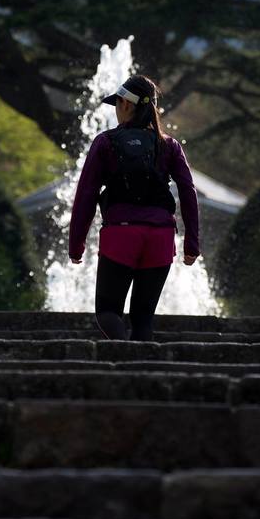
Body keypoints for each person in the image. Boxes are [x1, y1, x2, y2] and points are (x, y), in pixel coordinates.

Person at [68, 74, 200, 341]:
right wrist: (192, 245)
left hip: (121, 235)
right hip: (161, 236)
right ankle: (146, 374)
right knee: (143, 321)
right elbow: (188, 191)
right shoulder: (169, 145)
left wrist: (76, 244)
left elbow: (86, 195)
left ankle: (125, 358)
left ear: (126, 105)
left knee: (107, 312)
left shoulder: (106, 142)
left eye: (117, 104)